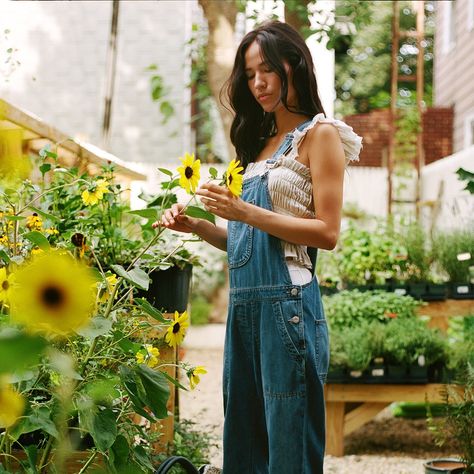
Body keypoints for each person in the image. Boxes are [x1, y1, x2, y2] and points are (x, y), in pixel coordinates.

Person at [156, 20, 362, 474]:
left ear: (295, 65)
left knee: (288, 449)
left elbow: (327, 233)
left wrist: (245, 211)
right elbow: (248, 243)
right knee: (244, 448)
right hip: (244, 310)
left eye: (267, 69)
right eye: (249, 74)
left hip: (288, 307)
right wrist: (199, 227)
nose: (259, 83)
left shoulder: (320, 135)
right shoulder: (256, 146)